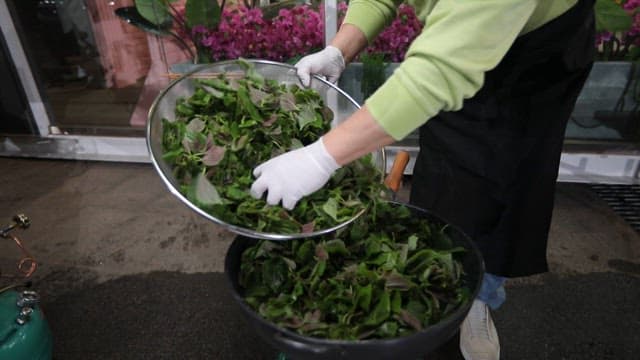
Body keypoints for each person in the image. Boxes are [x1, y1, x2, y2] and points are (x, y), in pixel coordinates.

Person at [250, 0, 596, 358]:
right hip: (457, 38)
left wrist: (320, 157)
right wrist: (339, 49)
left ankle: (480, 296)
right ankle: (449, 277)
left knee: (504, 181)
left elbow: (436, 76)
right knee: (447, 176)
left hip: (530, 58)